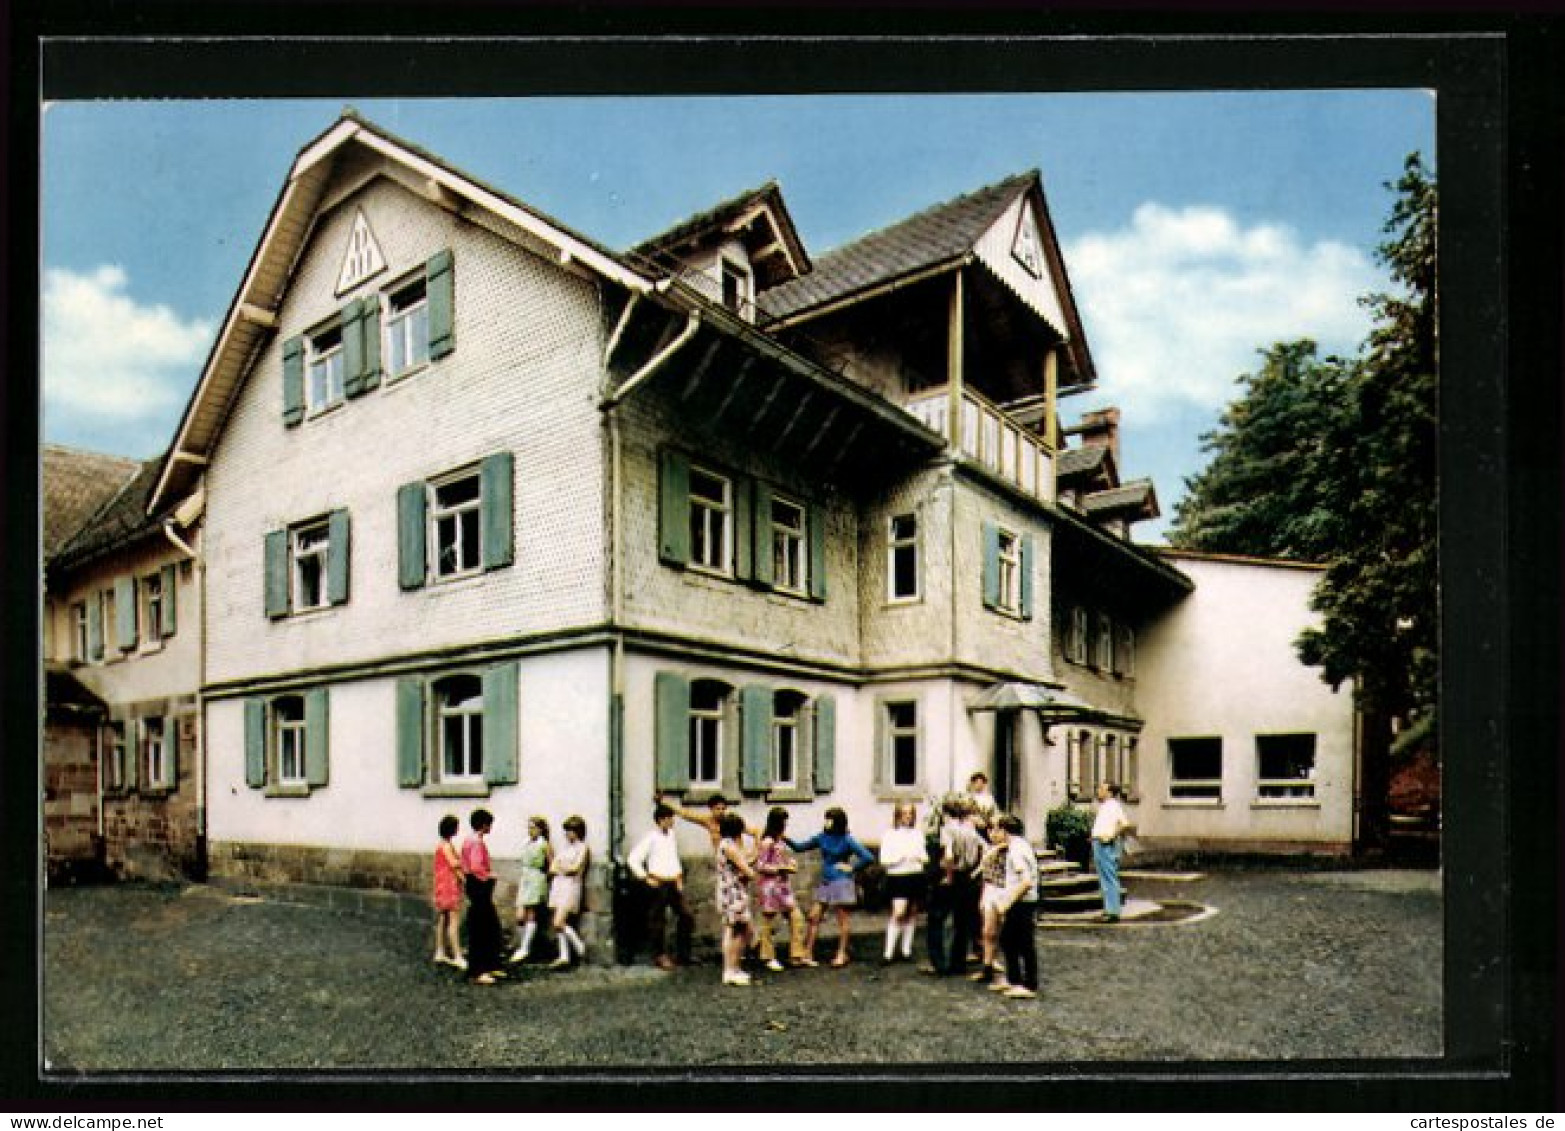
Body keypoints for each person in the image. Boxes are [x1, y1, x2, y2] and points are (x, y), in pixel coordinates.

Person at [790, 806, 875, 967]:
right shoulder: (822, 837)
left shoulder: (847, 839)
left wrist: (852, 867)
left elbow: (868, 857)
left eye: (829, 819)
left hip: (842, 882)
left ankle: (841, 953)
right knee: (814, 917)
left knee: (842, 920)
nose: (826, 822)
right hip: (827, 882)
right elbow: (799, 847)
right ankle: (807, 952)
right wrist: (783, 837)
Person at [627, 803, 694, 970]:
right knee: (658, 921)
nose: (672, 821)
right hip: (658, 884)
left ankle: (683, 954)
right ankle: (659, 955)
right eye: (668, 818)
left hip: (672, 881)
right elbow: (633, 859)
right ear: (660, 820)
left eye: (672, 818)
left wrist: (678, 877)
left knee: (686, 916)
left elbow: (673, 857)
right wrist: (645, 877)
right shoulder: (651, 838)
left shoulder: (671, 835)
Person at [922, 797, 984, 977]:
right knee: (962, 922)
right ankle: (958, 963)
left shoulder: (947, 830)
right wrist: (975, 871)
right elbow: (986, 850)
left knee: (936, 919)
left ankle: (939, 963)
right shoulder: (971, 831)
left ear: (946, 813)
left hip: (952, 875)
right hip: (968, 877)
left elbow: (948, 854)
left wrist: (948, 876)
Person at [754, 806, 812, 970]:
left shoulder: (780, 841)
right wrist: (779, 868)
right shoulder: (768, 842)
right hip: (770, 886)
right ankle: (767, 956)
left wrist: (788, 864)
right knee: (768, 921)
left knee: (796, 916)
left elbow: (780, 858)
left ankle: (796, 954)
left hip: (783, 885)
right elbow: (760, 865)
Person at [991, 814, 1041, 1000]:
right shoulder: (1019, 845)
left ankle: (1029, 984)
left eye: (997, 829)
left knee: (1024, 943)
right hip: (1021, 901)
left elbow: (1026, 881)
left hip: (1022, 902)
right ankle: (1014, 980)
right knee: (1007, 940)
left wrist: (1007, 903)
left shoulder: (1016, 851)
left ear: (1005, 831)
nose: (995, 833)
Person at [878, 801, 928, 964]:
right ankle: (888, 953)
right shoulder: (890, 835)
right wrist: (900, 858)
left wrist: (920, 857)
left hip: (915, 875)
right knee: (898, 913)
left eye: (910, 813)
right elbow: (884, 860)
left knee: (912, 913)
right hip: (898, 876)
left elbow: (924, 856)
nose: (908, 816)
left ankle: (906, 950)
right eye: (904, 813)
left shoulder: (918, 834)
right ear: (898, 815)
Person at [460, 808, 506, 985]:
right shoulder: (476, 842)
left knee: (489, 925)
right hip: (479, 886)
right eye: (489, 824)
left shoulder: (468, 840)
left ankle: (490, 963)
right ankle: (479, 970)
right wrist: (489, 876)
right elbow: (476, 867)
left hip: (474, 885)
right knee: (482, 927)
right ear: (484, 825)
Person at [715, 812, 758, 986]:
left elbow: (745, 861)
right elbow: (747, 869)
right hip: (732, 892)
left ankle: (735, 967)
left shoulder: (725, 844)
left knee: (742, 929)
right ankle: (729, 969)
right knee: (735, 930)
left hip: (731, 890)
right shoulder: (730, 847)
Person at [548, 815, 590, 969]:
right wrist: (562, 868)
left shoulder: (582, 848)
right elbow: (553, 867)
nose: (568, 834)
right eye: (567, 831)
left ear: (578, 832)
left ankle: (579, 946)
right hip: (559, 884)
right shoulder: (564, 848)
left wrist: (562, 867)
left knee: (558, 922)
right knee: (558, 923)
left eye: (571, 831)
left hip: (571, 886)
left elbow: (575, 869)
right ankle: (563, 955)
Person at [509, 816, 552, 963]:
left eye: (533, 827)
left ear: (540, 829)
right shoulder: (526, 843)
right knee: (520, 915)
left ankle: (525, 948)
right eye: (529, 827)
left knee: (530, 913)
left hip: (536, 878)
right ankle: (523, 944)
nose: (530, 831)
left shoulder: (544, 844)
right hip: (525, 877)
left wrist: (544, 877)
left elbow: (551, 864)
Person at [972, 829, 1011, 989]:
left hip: (1004, 890)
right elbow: (984, 872)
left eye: (998, 830)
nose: (993, 834)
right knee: (987, 930)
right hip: (989, 889)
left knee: (1001, 930)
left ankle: (1004, 969)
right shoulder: (988, 847)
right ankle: (987, 965)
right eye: (991, 830)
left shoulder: (1010, 849)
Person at [1092, 781, 1133, 923]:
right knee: (1104, 878)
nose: (1098, 791)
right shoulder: (1105, 806)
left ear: (1109, 792)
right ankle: (1108, 909)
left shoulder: (1113, 805)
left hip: (1106, 845)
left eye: (1101, 789)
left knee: (1109, 877)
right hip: (1098, 843)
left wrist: (1111, 835)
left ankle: (1113, 911)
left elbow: (1124, 824)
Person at [432, 814, 467, 970]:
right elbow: (454, 864)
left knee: (442, 919)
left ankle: (440, 950)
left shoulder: (443, 844)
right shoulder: (446, 846)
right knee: (453, 921)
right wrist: (464, 863)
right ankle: (457, 955)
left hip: (441, 885)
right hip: (449, 886)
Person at [964, 771, 999, 836]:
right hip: (972, 827)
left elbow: (995, 812)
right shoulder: (968, 797)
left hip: (987, 826)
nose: (979, 785)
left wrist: (992, 821)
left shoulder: (989, 798)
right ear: (973, 783)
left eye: (982, 782)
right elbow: (965, 813)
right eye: (977, 782)